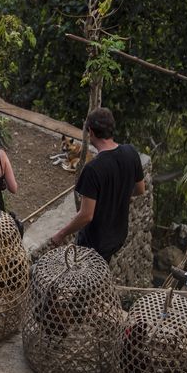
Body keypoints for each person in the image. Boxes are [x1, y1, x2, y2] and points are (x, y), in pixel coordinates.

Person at [51, 107, 145, 262]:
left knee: (87, 275)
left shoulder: (92, 169)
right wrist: (117, 195)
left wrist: (61, 234)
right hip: (118, 235)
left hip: (94, 243)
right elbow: (140, 189)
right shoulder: (131, 153)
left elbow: (86, 215)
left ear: (91, 132)